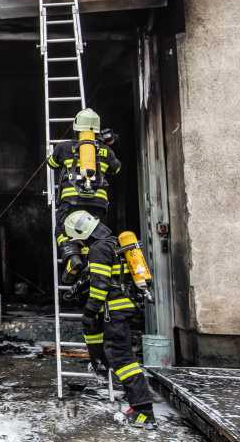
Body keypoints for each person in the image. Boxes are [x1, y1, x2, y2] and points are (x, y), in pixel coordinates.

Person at [63, 210, 156, 429]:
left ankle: (143, 411)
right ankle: (100, 366)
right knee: (104, 344)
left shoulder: (98, 249)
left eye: (77, 238)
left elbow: (101, 284)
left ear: (82, 233)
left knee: (123, 361)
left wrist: (89, 311)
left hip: (112, 312)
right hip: (116, 310)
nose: (78, 243)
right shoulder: (113, 244)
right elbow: (105, 277)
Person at [47, 108, 120, 283]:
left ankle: (73, 257)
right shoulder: (106, 151)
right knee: (93, 236)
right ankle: (89, 268)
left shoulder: (64, 147)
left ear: (76, 127)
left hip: (72, 202)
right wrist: (105, 146)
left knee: (63, 230)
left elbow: (52, 164)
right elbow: (116, 169)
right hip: (98, 205)